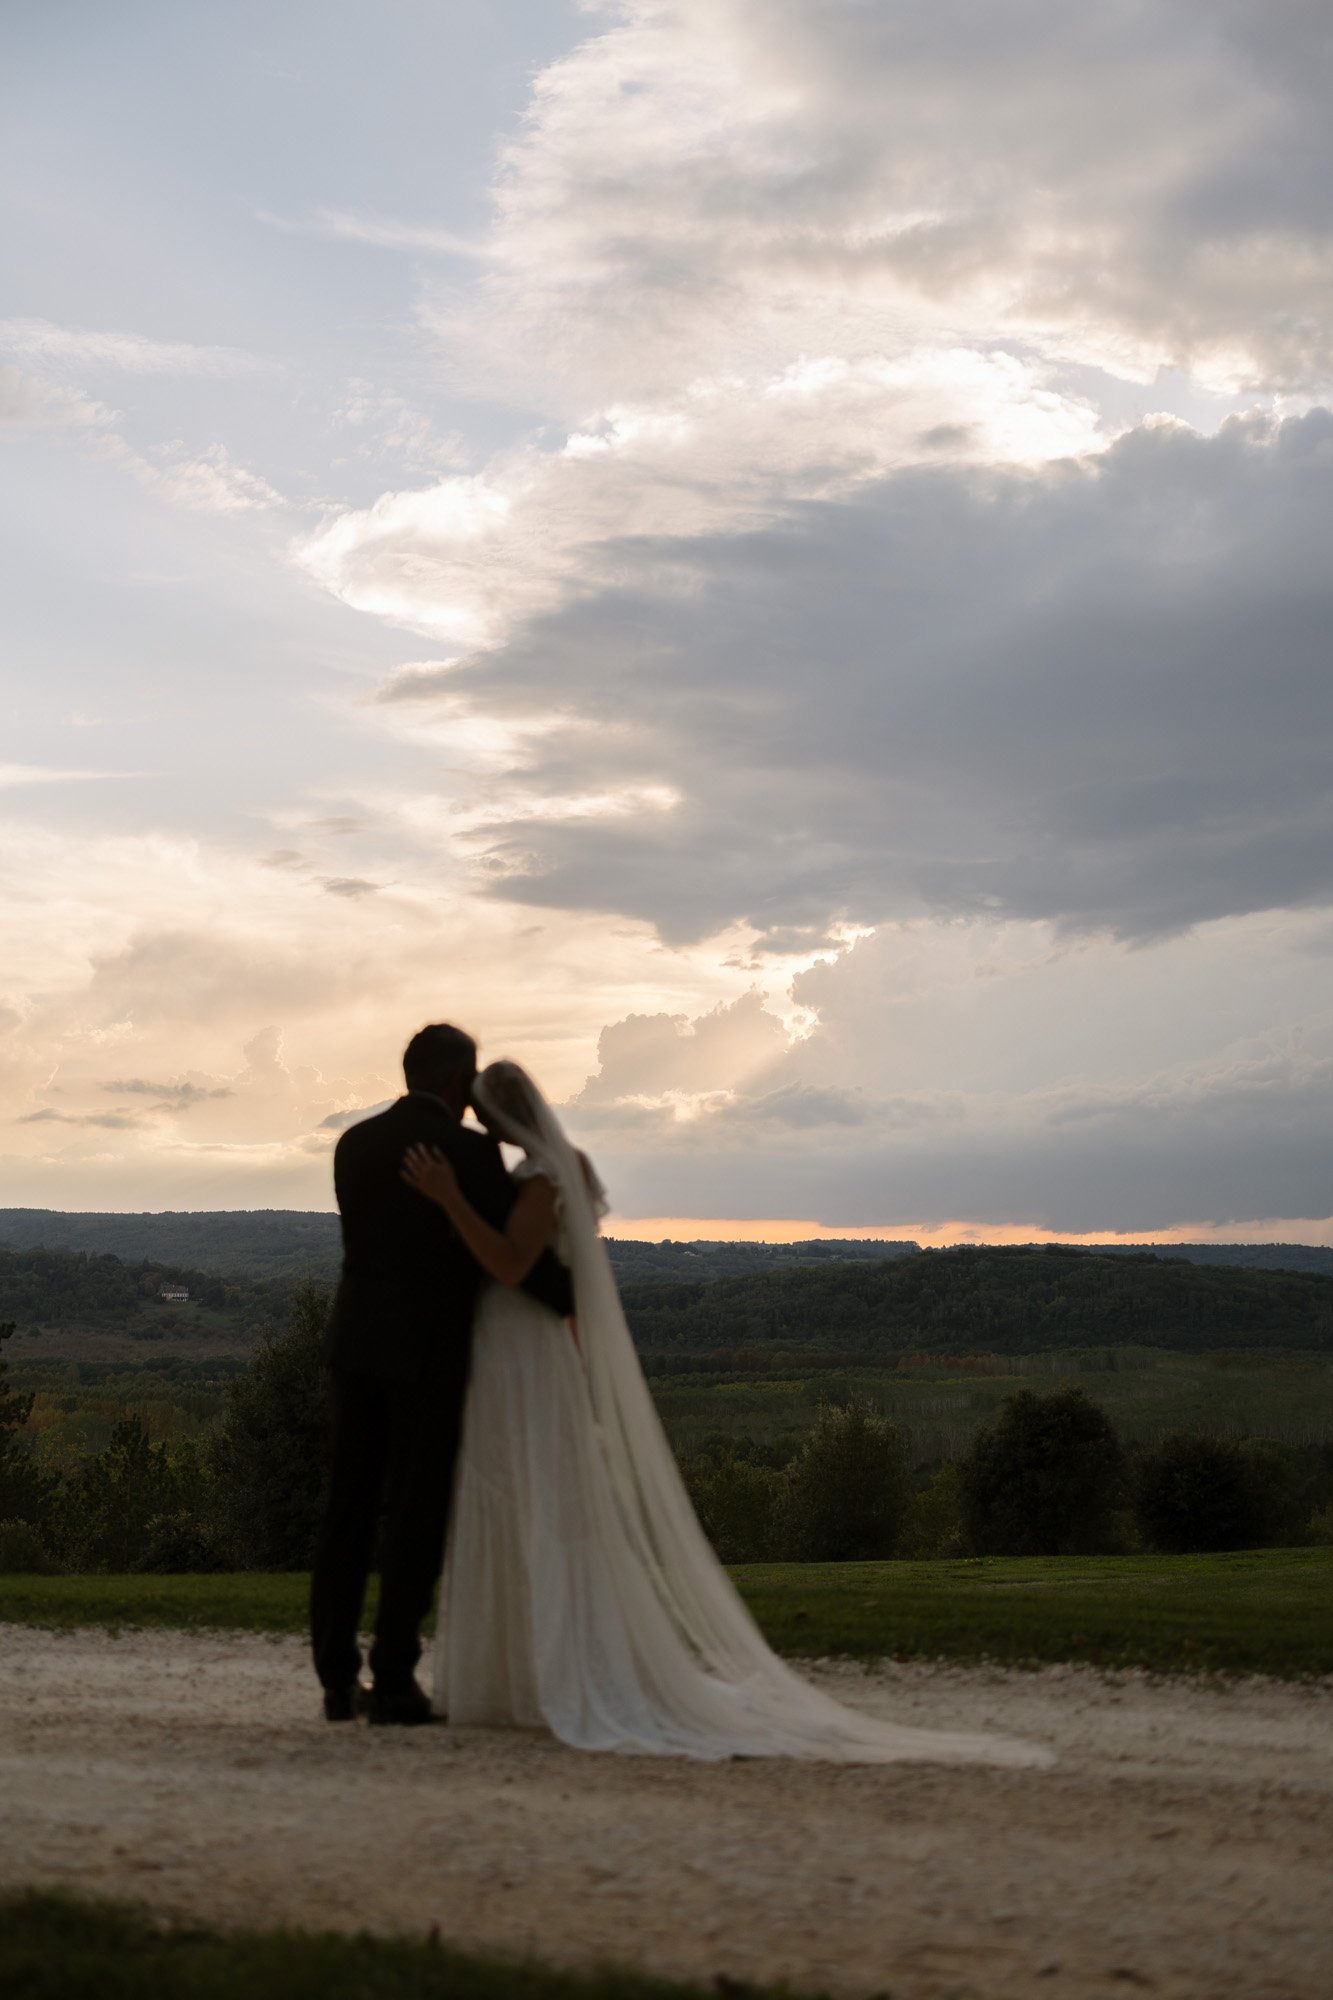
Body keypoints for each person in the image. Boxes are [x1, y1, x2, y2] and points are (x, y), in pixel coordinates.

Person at [400, 1059, 1052, 1767]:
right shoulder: (573, 1167)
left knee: (529, 1499)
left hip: (518, 1352)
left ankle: (540, 1678)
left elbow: (509, 1264)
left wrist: (447, 1199)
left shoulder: (536, 1178)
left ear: (492, 1116)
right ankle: (526, 1674)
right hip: (542, 1350)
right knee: (544, 1502)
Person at [310, 1025, 572, 1724]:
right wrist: (574, 1303)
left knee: (347, 1510)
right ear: (459, 1081)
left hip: (356, 1345)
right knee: (415, 1514)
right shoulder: (468, 1151)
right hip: (431, 1352)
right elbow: (510, 1259)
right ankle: (393, 1679)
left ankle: (336, 1679)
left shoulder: (352, 1144)